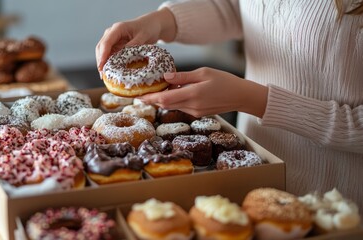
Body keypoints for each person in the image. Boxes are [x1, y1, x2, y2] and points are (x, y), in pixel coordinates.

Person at [96, 0, 363, 211]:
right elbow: (238, 7)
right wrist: (161, 21)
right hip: (252, 166)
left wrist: (254, 100)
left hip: (337, 197)